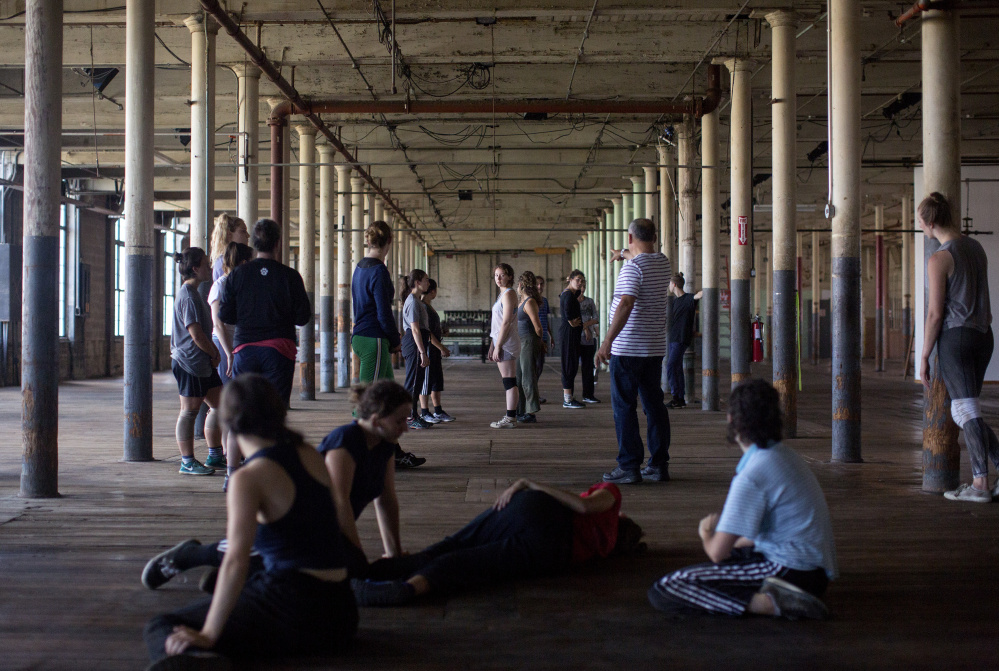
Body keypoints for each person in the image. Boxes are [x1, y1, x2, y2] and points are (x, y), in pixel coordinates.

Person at [142, 374, 357, 668]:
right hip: (340, 614)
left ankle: (198, 658)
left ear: (227, 422)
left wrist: (208, 634)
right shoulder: (309, 453)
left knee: (162, 625)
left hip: (293, 608)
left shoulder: (249, 477)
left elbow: (236, 561)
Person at [140, 381, 414, 592]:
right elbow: (338, 503)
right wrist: (355, 556)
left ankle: (240, 579)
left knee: (276, 567)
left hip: (321, 535)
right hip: (296, 527)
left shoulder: (385, 445)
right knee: (250, 550)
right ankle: (190, 554)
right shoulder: (346, 441)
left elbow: (386, 499)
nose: (406, 427)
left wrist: (394, 553)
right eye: (401, 420)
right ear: (377, 420)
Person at [648, 380, 837, 620]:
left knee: (667, 587)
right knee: (730, 560)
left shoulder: (753, 474)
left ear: (731, 420)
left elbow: (716, 552)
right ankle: (782, 596)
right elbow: (752, 538)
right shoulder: (785, 456)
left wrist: (707, 534)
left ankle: (770, 603)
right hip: (814, 573)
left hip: (789, 571)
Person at [351, 479, 644, 606]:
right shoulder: (603, 549)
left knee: (453, 544)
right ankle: (407, 589)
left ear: (624, 517)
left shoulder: (611, 496)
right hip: (551, 553)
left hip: (540, 512)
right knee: (471, 562)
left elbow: (583, 507)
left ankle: (367, 573)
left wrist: (529, 483)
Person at [918, 191, 999, 503]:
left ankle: (980, 485)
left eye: (920, 222)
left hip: (957, 338)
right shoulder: (976, 248)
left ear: (929, 222)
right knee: (966, 409)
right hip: (983, 336)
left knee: (965, 409)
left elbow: (936, 313)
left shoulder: (939, 258)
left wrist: (924, 355)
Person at [597, 218, 672, 485]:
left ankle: (629, 466)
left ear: (630, 237)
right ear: (654, 236)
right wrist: (622, 254)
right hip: (653, 349)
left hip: (627, 350)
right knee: (654, 407)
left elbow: (626, 304)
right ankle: (659, 465)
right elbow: (638, 252)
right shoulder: (663, 263)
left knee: (624, 408)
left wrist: (606, 342)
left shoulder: (633, 270)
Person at [218, 218, 312, 406]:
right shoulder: (290, 276)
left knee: (244, 411)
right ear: (278, 243)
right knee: (274, 410)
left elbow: (225, 315)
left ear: (254, 243)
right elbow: (303, 317)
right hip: (279, 350)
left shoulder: (237, 274)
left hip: (245, 348)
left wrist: (247, 315)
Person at [170, 247, 224, 477]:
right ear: (195, 268)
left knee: (220, 405)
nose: (210, 269)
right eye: (206, 264)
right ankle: (187, 461)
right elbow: (196, 334)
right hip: (189, 362)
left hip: (202, 362)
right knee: (189, 412)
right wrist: (214, 352)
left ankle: (214, 454)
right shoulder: (188, 296)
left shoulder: (195, 293)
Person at [195, 213, 248, 440]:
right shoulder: (222, 271)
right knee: (224, 399)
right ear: (230, 234)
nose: (246, 235)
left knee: (231, 397)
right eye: (243, 231)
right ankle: (222, 449)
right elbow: (219, 317)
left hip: (233, 338)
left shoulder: (227, 267)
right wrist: (227, 350)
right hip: (225, 338)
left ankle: (226, 447)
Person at [208, 241, 254, 489]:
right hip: (226, 345)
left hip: (238, 345)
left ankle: (233, 453)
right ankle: (227, 454)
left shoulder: (238, 283)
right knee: (228, 401)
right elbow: (218, 324)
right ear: (244, 262)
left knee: (237, 400)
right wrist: (228, 352)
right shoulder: (221, 284)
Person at [351, 220, 401, 384]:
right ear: (389, 241)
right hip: (373, 338)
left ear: (368, 241)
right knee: (368, 400)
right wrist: (395, 340)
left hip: (361, 335)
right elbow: (384, 312)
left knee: (389, 396)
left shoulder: (359, 268)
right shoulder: (379, 271)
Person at [400, 269, 434, 433]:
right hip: (413, 344)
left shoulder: (417, 300)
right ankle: (408, 417)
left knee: (418, 381)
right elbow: (415, 330)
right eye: (426, 280)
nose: (428, 282)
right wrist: (422, 352)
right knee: (412, 382)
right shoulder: (412, 302)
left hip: (418, 342)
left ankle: (414, 414)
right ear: (418, 282)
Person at [488, 263, 521, 428]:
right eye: (496, 275)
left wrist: (499, 345)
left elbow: (506, 322)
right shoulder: (502, 295)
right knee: (508, 381)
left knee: (509, 381)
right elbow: (498, 323)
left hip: (507, 343)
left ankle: (511, 418)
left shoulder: (508, 294)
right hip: (501, 341)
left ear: (510, 276)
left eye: (502, 275)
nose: (498, 278)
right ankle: (512, 415)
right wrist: (492, 345)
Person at [420, 279, 455, 423]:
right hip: (429, 348)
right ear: (433, 291)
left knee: (436, 381)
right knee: (426, 381)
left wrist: (441, 332)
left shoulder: (429, 307)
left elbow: (432, 329)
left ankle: (438, 410)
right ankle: (424, 412)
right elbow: (426, 333)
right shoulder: (423, 307)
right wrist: (441, 347)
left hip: (435, 349)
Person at [666, 272, 703, 409]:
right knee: (676, 367)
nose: (668, 286)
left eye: (670, 283)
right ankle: (680, 399)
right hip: (674, 338)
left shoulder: (688, 298)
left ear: (674, 284)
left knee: (671, 366)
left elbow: (698, 295)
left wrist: (709, 289)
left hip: (681, 338)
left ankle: (676, 397)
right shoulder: (676, 301)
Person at [515, 271, 544, 424]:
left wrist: (540, 342)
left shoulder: (530, 302)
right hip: (521, 342)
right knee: (519, 378)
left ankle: (531, 412)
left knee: (528, 377)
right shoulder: (522, 301)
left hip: (529, 341)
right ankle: (520, 410)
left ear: (520, 285)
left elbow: (538, 327)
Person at [559, 270, 586, 409]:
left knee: (572, 364)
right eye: (578, 279)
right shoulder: (568, 295)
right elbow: (569, 316)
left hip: (572, 334)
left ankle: (569, 397)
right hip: (569, 334)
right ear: (570, 279)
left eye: (582, 280)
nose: (580, 282)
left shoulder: (570, 294)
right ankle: (567, 399)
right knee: (569, 365)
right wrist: (572, 321)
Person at [578, 278, 600, 404]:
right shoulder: (572, 301)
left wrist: (586, 326)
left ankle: (588, 394)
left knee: (588, 366)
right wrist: (586, 327)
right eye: (580, 285)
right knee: (571, 367)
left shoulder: (589, 301)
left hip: (588, 338)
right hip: (576, 338)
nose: (582, 288)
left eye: (584, 286)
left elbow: (596, 318)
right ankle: (569, 396)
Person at [209, 213, 249, 282]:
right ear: (229, 234)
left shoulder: (238, 259)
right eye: (243, 231)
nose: (248, 235)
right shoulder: (222, 263)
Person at [535, 276, 554, 404]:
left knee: (539, 366)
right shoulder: (530, 301)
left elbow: (545, 320)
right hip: (534, 337)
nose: (540, 287)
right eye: (537, 284)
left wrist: (550, 336)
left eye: (542, 284)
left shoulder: (545, 301)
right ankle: (531, 394)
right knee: (533, 366)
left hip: (544, 338)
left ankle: (534, 393)